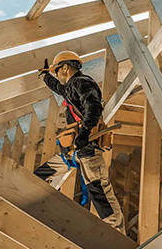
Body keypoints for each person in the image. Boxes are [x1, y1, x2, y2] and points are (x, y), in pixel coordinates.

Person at [34, 51, 125, 233]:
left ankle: (117, 233)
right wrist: (46, 75)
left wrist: (84, 132)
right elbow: (58, 87)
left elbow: (93, 107)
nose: (57, 75)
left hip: (88, 150)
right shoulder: (71, 86)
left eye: (57, 70)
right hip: (74, 152)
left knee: (99, 193)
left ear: (66, 68)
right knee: (41, 174)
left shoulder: (83, 82)